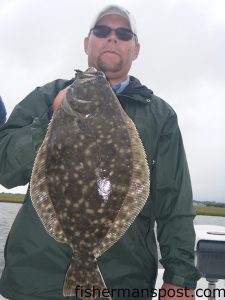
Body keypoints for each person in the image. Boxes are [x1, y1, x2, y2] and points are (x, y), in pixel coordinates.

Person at [0, 5, 201, 300]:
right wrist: (51, 119)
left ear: (136, 49)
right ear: (87, 42)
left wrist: (180, 277)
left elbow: (174, 201)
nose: (112, 38)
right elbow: (5, 169)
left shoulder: (160, 116)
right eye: (103, 31)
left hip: (123, 284)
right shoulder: (47, 97)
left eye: (123, 33)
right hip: (33, 283)